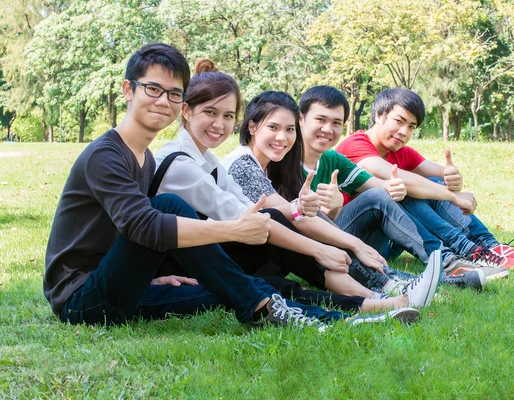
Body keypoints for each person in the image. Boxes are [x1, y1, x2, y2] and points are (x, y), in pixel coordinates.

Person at [44, 43, 354, 331]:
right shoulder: (106, 155)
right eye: (153, 89)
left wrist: (149, 275)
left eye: (174, 93)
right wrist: (234, 231)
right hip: (81, 300)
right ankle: (261, 308)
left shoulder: (145, 159)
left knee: (227, 285)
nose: (163, 101)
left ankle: (340, 317)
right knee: (168, 207)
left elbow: (129, 238)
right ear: (128, 89)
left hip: (125, 283)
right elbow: (142, 226)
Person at [151, 59, 420, 319]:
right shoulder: (186, 163)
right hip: (182, 265)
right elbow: (244, 217)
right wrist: (319, 248)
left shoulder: (208, 159)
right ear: (186, 111)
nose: (220, 125)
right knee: (270, 264)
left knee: (273, 275)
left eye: (228, 115)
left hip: (200, 255)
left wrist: (313, 211)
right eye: (210, 112)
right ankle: (376, 294)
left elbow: (259, 211)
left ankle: (369, 299)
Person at [221, 90, 441, 305]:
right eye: (273, 127)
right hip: (233, 261)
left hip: (263, 252)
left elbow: (301, 214)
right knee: (294, 220)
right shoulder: (243, 164)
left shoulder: (274, 164)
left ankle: (388, 288)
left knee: (306, 218)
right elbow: (290, 216)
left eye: (289, 129)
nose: (282, 137)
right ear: (252, 126)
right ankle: (388, 286)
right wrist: (351, 244)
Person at [294, 85, 507, 287]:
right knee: (388, 194)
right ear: (301, 119)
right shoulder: (293, 160)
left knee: (413, 188)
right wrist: (453, 197)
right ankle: (452, 259)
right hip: (328, 245)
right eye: (320, 119)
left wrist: (447, 179)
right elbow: (293, 220)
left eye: (336, 123)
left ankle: (479, 249)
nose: (328, 129)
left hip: (374, 240)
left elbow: (384, 186)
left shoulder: (332, 159)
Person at [336, 87, 514, 265]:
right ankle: (468, 251)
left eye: (411, 127)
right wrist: (453, 196)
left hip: (389, 239)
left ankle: (490, 246)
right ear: (379, 116)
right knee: (400, 189)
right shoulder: (355, 146)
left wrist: (453, 178)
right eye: (399, 121)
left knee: (433, 184)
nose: (403, 132)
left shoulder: (400, 152)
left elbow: (439, 175)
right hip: (355, 239)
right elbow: (403, 179)